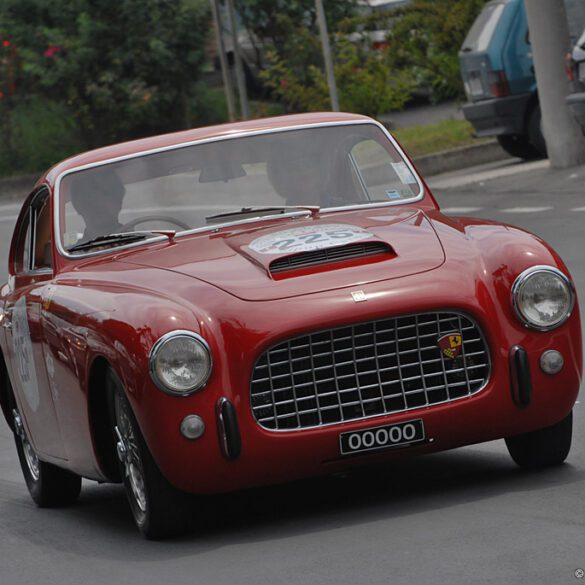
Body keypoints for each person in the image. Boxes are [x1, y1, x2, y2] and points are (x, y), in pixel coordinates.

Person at [69, 168, 126, 242]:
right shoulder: (72, 252)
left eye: (106, 194)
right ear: (77, 206)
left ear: (119, 201)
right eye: (89, 197)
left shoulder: (142, 242)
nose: (99, 204)